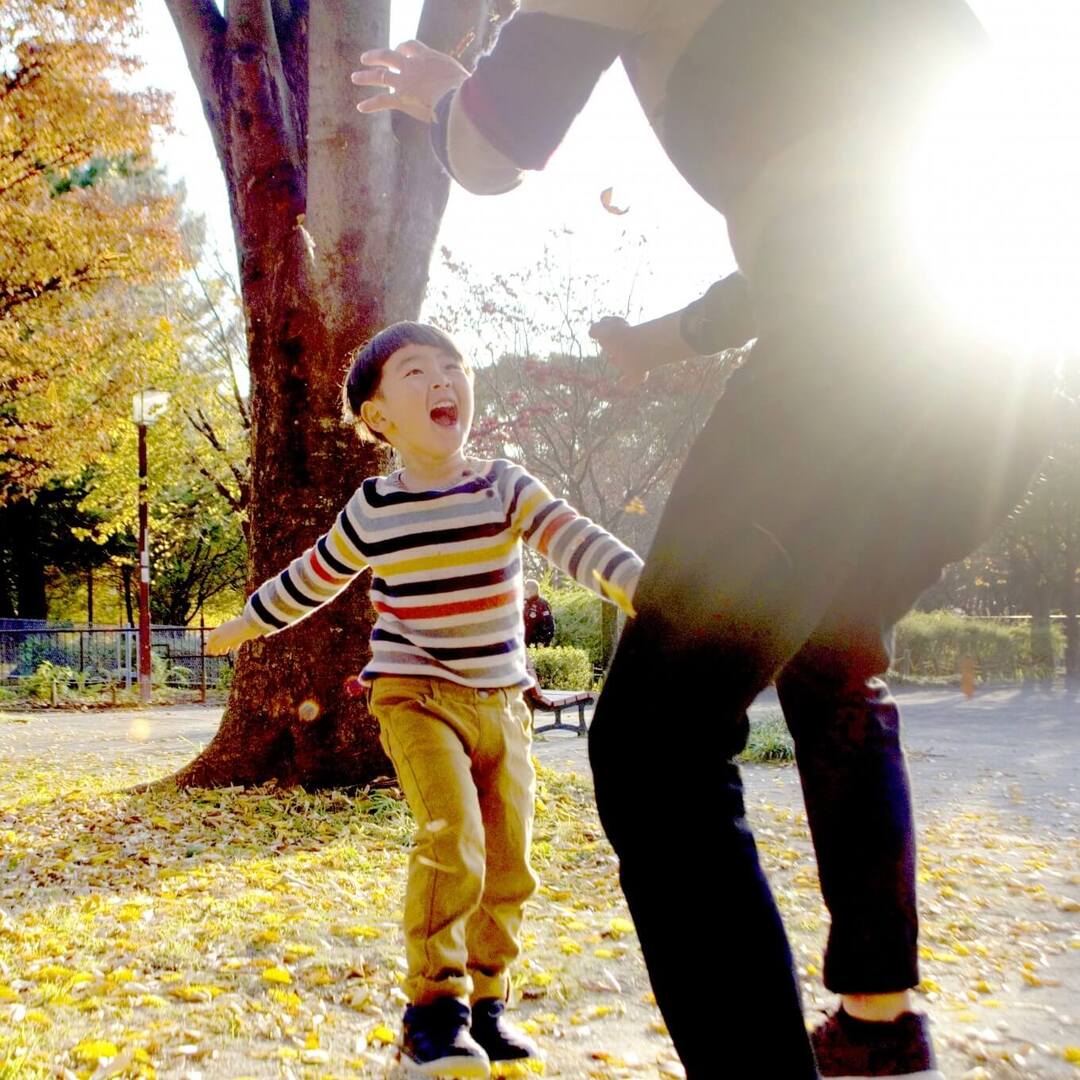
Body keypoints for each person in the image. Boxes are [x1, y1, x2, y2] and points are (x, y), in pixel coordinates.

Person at [349, 6, 1054, 1078]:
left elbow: (493, 150)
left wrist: (448, 94)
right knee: (834, 653)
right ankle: (878, 1017)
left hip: (858, 343)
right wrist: (654, 341)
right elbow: (835, 226)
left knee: (653, 749)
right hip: (1002, 354)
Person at [206, 321, 642, 1077]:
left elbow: (578, 541)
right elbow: (315, 576)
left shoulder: (503, 485)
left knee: (507, 864)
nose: (444, 381)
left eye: (455, 367)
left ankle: (485, 1002)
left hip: (502, 701)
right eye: (417, 372)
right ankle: (431, 1015)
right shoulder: (375, 507)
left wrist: (652, 590)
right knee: (453, 839)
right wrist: (247, 621)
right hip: (413, 695)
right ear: (378, 417)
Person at [522, 578, 555, 647]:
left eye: (525, 589)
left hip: (538, 645)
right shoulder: (522, 603)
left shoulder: (543, 604)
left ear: (532, 590)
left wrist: (543, 642)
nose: (523, 591)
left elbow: (550, 626)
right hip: (523, 644)